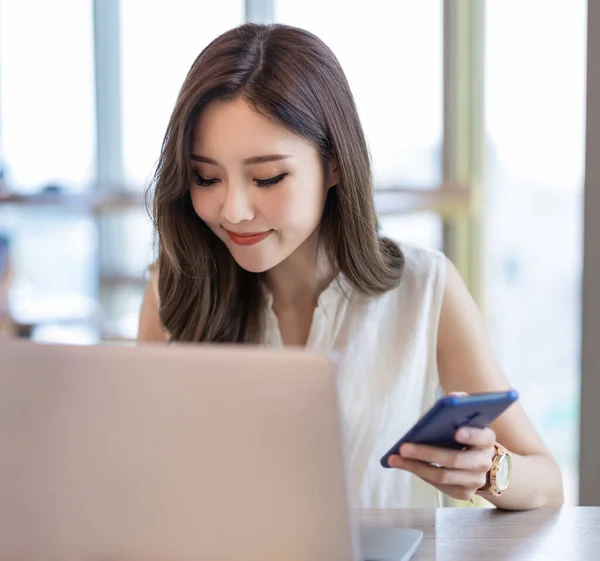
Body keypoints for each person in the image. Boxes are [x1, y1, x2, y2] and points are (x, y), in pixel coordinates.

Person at [137, 23, 563, 510]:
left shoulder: (426, 290)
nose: (233, 209)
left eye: (267, 177)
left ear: (335, 164)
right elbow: (141, 480)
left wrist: (490, 470)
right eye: (205, 177)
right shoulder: (172, 290)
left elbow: (549, 483)